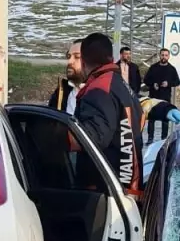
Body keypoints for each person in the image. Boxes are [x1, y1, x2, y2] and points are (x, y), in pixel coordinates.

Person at [74, 32, 142, 198]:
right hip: (129, 183)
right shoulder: (118, 83)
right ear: (111, 57)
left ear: (83, 61)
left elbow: (93, 138)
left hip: (107, 190)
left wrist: (55, 136)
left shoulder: (99, 89)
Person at [48, 39, 83, 115]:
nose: (70, 61)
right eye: (69, 56)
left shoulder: (100, 93)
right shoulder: (62, 91)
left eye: (77, 57)